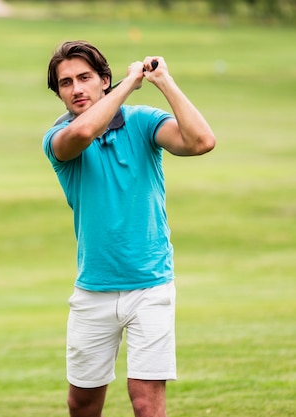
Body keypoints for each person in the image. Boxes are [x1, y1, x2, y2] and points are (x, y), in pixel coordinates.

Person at [42, 40, 215, 417]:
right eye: (66, 83)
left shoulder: (143, 122)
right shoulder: (58, 139)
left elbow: (202, 141)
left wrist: (163, 81)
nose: (77, 89)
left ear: (103, 80)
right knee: (82, 402)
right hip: (93, 290)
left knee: (145, 399)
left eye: (85, 78)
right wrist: (128, 84)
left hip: (150, 283)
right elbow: (84, 133)